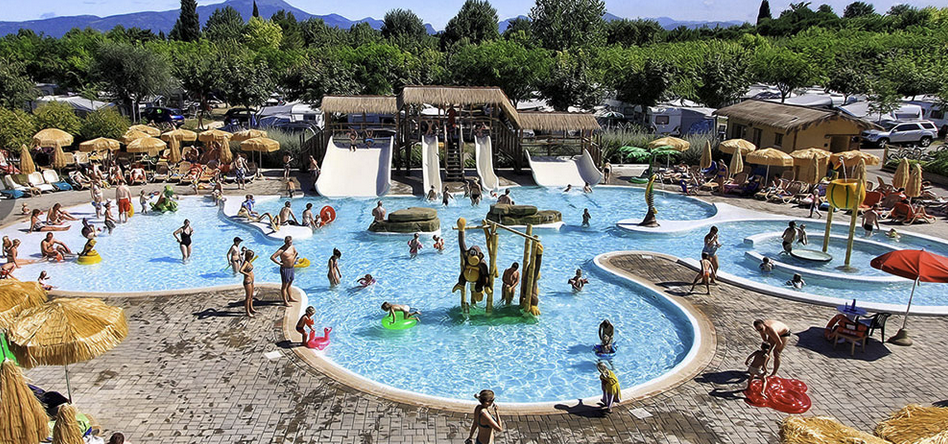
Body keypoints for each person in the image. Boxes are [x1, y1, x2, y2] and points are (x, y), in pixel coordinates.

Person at [271, 236, 299, 305]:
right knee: (284, 286)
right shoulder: (281, 250)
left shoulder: (292, 247)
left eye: (291, 242)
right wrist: (280, 263)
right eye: (289, 243)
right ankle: (285, 301)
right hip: (285, 268)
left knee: (290, 283)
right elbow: (272, 257)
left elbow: (296, 252)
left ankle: (290, 297)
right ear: (285, 242)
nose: (290, 244)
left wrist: (294, 259)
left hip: (291, 267)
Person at [239, 249, 256, 317]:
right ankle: (247, 312)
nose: (252, 257)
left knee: (251, 296)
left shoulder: (249, 262)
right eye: (251, 256)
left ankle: (251, 308)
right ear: (249, 256)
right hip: (247, 281)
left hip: (251, 281)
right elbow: (240, 270)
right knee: (248, 297)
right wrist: (247, 274)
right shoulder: (245, 262)